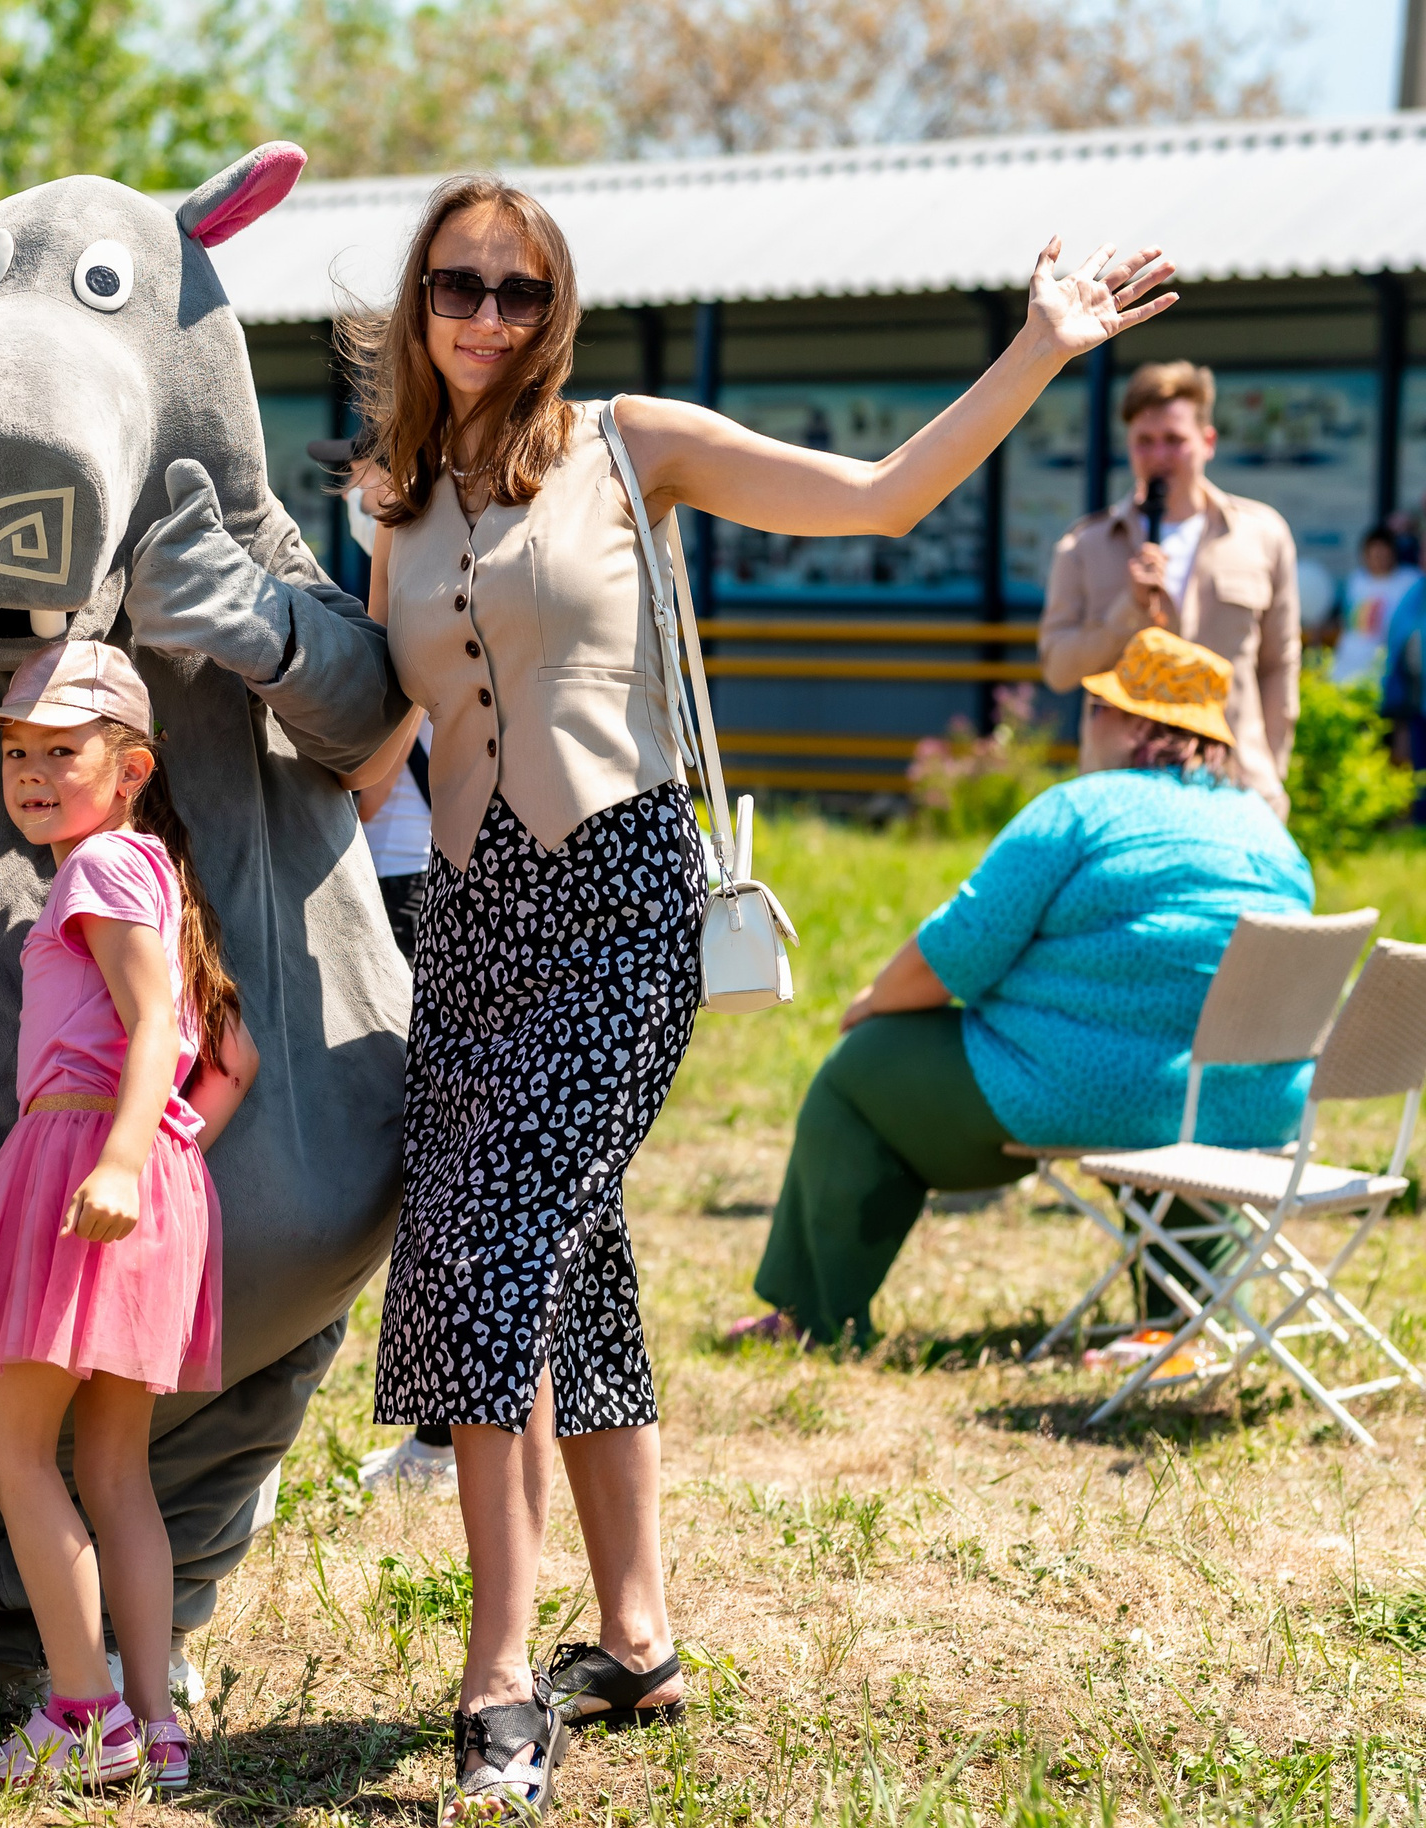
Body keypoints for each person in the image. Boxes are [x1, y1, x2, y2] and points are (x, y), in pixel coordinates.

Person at [344, 169, 1175, 1819]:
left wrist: (1039, 348)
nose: (489, 315)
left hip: (619, 896)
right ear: (420, 303)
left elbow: (877, 498)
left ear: (555, 305)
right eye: (459, 285)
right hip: (469, 918)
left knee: (497, 1248)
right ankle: (637, 1638)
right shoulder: (391, 497)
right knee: (572, 1262)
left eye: (520, 289)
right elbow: (376, 736)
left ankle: (500, 1670)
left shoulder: (629, 443)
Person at [0, 641, 257, 1790]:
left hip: (88, 1158)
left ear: (132, 765)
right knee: (114, 1468)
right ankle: (156, 1727)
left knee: (11, 1445)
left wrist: (115, 1158)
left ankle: (85, 1712)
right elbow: (226, 1053)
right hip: (145, 1171)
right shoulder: (152, 871)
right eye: (19, 752)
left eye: (64, 751)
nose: (34, 771)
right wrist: (163, 1157)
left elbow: (158, 1030)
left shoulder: (99, 872)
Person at [733, 628, 1313, 1350]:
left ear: (1132, 725)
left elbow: (955, 953)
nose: (1085, 723)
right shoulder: (1269, 833)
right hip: (1242, 1107)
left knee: (858, 1074)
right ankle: (1190, 1321)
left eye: (1096, 706)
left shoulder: (1083, 809)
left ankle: (812, 1318)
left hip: (1088, 1093)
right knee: (1175, 1086)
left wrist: (874, 1002)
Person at [312, 435, 457, 1493]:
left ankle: (440, 1433)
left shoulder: (412, 624)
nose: (356, 499)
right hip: (410, 895)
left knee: (420, 1161)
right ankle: (437, 1430)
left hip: (400, 899)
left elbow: (363, 790)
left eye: (368, 483)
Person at [1039, 360, 1299, 818]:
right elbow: (1058, 669)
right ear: (1129, 447)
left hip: (1236, 787)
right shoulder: (1085, 544)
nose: (1160, 456)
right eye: (1145, 442)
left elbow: (1279, 665)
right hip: (1120, 791)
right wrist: (1127, 611)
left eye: (1175, 440)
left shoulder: (1262, 534)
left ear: (1207, 441)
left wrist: (1270, 768)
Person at [1335, 524, 1423, 690]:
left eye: (1384, 554)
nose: (1379, 560)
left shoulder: (1410, 581)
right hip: (1349, 660)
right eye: (1374, 555)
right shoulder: (1356, 580)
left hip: (1389, 666)